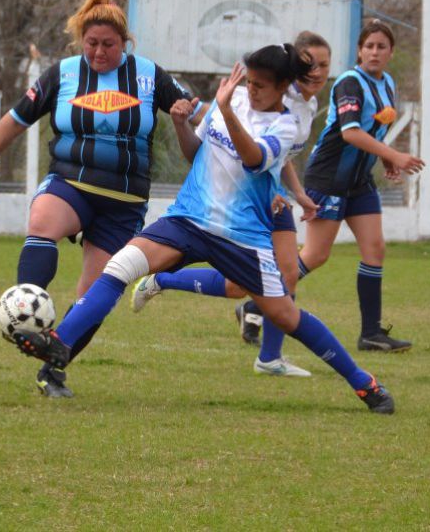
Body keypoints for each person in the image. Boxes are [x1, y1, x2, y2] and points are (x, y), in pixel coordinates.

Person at [11, 44, 396, 414]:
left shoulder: (286, 125)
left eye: (261, 85)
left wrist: (225, 110)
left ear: (282, 88)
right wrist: (182, 124)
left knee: (285, 316)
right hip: (187, 218)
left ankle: (364, 382)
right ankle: (58, 344)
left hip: (241, 237)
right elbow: (197, 153)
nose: (252, 90)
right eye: (250, 82)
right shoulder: (235, 98)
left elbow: (253, 158)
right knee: (120, 266)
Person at [0, 0, 201, 398]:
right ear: (80, 40)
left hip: (123, 201)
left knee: (97, 294)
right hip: (71, 183)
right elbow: (14, 121)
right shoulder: (63, 74)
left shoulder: (149, 75)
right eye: (91, 44)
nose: (99, 52)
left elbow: (196, 113)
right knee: (42, 223)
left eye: (108, 44)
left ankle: (53, 369)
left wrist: (202, 120)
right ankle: (24, 316)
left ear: (125, 42)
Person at [132, 31, 332, 377]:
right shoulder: (272, 94)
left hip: (272, 199)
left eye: (324, 65)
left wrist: (296, 193)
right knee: (242, 285)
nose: (317, 71)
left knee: (281, 278)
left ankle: (269, 358)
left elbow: (280, 156)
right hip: (243, 204)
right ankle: (163, 280)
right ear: (293, 72)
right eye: (310, 64)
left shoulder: (309, 105)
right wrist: (200, 113)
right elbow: (243, 137)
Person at [297, 20, 424, 352]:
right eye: (369, 46)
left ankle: (371, 333)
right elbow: (351, 132)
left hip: (359, 182)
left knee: (375, 249)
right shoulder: (350, 83)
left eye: (382, 46)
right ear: (359, 50)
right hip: (329, 179)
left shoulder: (388, 83)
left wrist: (384, 161)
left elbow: (374, 130)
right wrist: (396, 154)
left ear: (391, 52)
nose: (375, 52)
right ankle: (257, 306)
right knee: (316, 255)